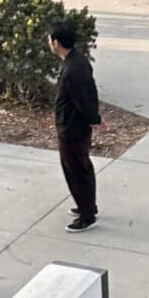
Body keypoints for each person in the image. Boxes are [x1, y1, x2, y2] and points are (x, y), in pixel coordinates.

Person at [49, 20, 102, 232]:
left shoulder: (72, 70)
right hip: (75, 127)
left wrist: (94, 118)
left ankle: (87, 216)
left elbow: (82, 99)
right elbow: (90, 92)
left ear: (56, 42)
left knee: (75, 170)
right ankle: (87, 206)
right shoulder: (78, 61)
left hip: (72, 129)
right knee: (81, 167)